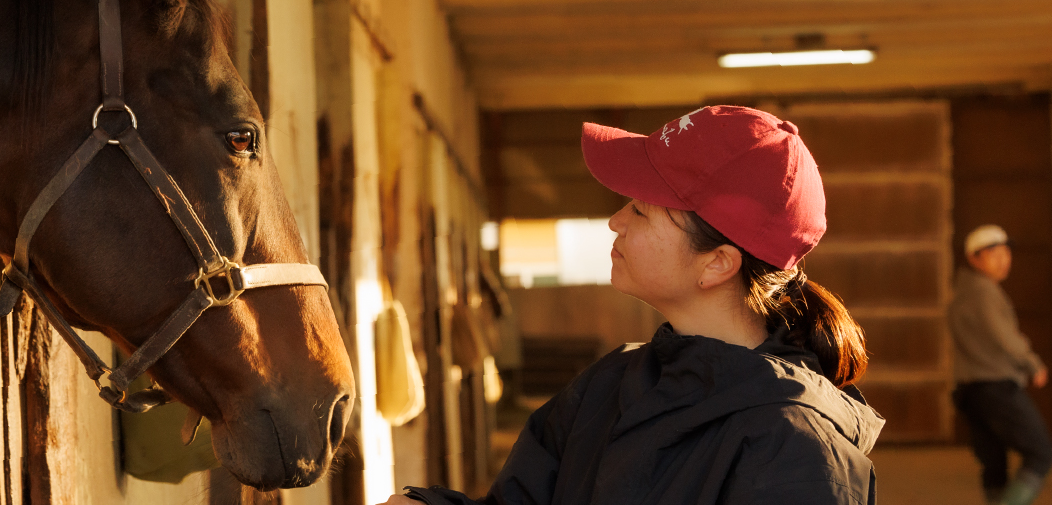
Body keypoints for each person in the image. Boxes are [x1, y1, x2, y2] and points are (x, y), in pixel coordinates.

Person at [378, 105, 884, 505]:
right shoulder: (611, 384)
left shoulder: (796, 446)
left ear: (716, 264)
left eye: (641, 209)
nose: (615, 221)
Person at [949, 224, 1052, 505]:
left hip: (970, 391)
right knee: (1040, 453)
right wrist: (1033, 364)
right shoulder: (983, 293)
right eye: (994, 253)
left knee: (994, 465)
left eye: (1006, 253)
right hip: (996, 387)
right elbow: (1006, 338)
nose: (1004, 259)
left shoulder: (961, 293)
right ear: (974, 258)